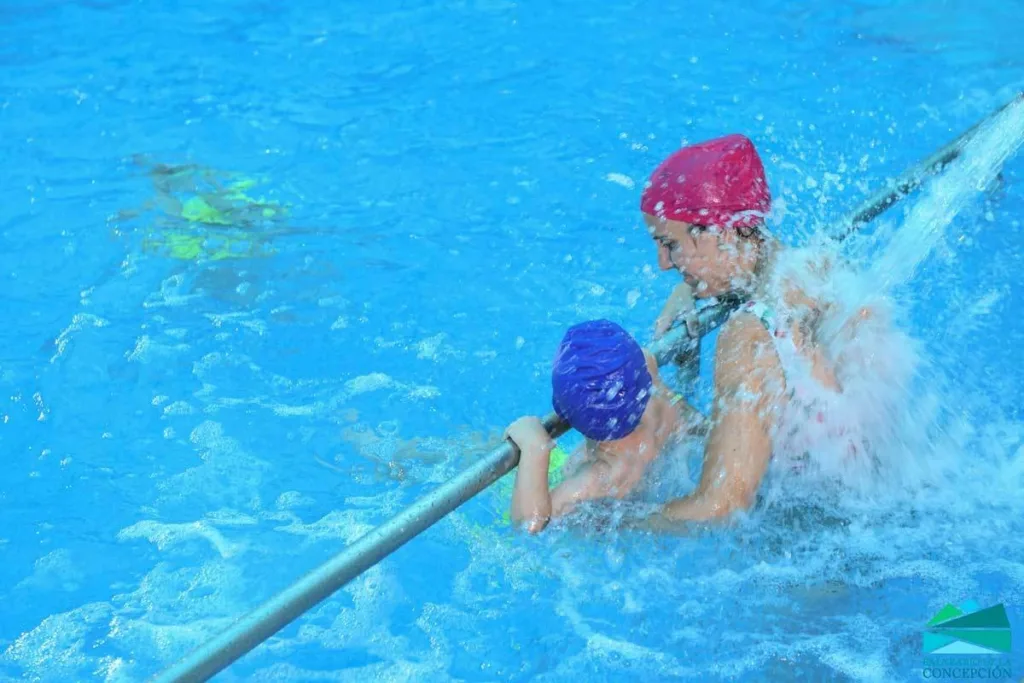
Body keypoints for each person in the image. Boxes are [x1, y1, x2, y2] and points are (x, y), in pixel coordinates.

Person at [507, 134, 907, 533]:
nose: (663, 264)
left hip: (827, 541)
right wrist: (697, 286)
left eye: (669, 245)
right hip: (887, 493)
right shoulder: (821, 271)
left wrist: (606, 521)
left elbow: (720, 507)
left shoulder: (749, 336)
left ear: (719, 231)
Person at [506, 319, 705, 533]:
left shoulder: (600, 477)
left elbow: (532, 524)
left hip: (606, 522)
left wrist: (535, 448)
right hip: (661, 478)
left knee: (476, 445)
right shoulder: (651, 383)